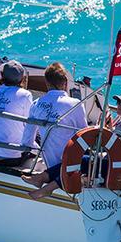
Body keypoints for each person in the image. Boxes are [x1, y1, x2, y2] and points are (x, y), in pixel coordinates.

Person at [22, 63, 87, 199]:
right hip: (70, 166)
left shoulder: (36, 104)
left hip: (50, 164)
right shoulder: (74, 104)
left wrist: (40, 150)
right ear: (64, 82)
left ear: (47, 82)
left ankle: (44, 178)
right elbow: (85, 138)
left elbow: (26, 142)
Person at [0, 61, 33, 166]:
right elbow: (30, 124)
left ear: (2, 76)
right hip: (10, 157)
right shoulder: (25, 95)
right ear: (22, 78)